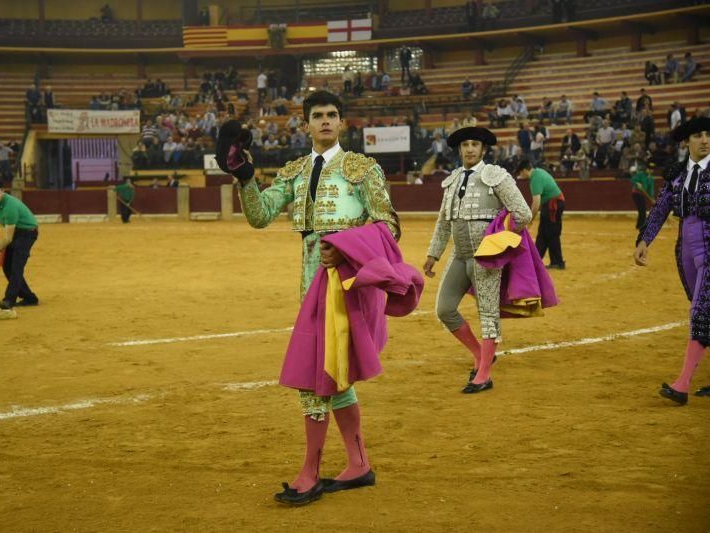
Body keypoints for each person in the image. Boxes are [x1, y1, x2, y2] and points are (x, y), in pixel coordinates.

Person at [216, 90, 400, 505]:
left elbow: (388, 225)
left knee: (315, 372)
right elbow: (261, 216)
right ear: (305, 124)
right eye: (318, 115)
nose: (326, 121)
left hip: (348, 282)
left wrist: (347, 246)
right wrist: (245, 177)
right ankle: (358, 464)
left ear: (342, 122)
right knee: (331, 372)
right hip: (309, 282)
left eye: (333, 115)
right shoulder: (295, 172)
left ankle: (309, 473)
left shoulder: (362, 169)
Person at [423, 127, 532, 393]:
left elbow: (523, 213)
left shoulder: (496, 176)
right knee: (444, 309)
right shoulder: (452, 179)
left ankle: (483, 374)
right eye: (465, 145)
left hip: (485, 257)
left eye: (475, 144)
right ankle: (479, 353)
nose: (470, 149)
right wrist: (433, 254)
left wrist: (502, 243)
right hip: (459, 255)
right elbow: (443, 222)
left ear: (483, 150)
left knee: (488, 314)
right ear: (459, 150)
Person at [635, 117, 710, 405]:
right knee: (702, 308)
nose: (704, 140)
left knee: (700, 312)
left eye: (708, 135)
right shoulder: (678, 175)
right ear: (686, 142)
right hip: (687, 251)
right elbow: (661, 208)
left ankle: (682, 384)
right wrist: (644, 241)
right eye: (698, 135)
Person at [0, 181, 39, 309]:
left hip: (27, 232)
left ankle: (9, 300)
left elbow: (8, 238)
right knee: (7, 266)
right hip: (16, 231)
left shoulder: (10, 207)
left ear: (3, 191)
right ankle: (29, 298)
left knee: (16, 267)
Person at [516, 158, 566, 269]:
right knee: (546, 233)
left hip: (553, 205)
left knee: (549, 234)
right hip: (553, 204)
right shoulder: (539, 172)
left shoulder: (535, 179)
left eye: (520, 172)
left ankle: (552, 262)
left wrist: (530, 219)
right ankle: (548, 262)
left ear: (524, 170)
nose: (520, 175)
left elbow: (536, 202)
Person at [631, 162, 655, 230]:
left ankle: (639, 225)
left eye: (652, 169)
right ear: (646, 169)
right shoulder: (640, 174)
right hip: (636, 194)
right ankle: (642, 226)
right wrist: (637, 183)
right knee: (642, 210)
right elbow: (632, 179)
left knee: (642, 210)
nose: (650, 170)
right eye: (649, 169)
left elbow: (651, 190)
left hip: (642, 195)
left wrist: (652, 198)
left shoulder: (651, 178)